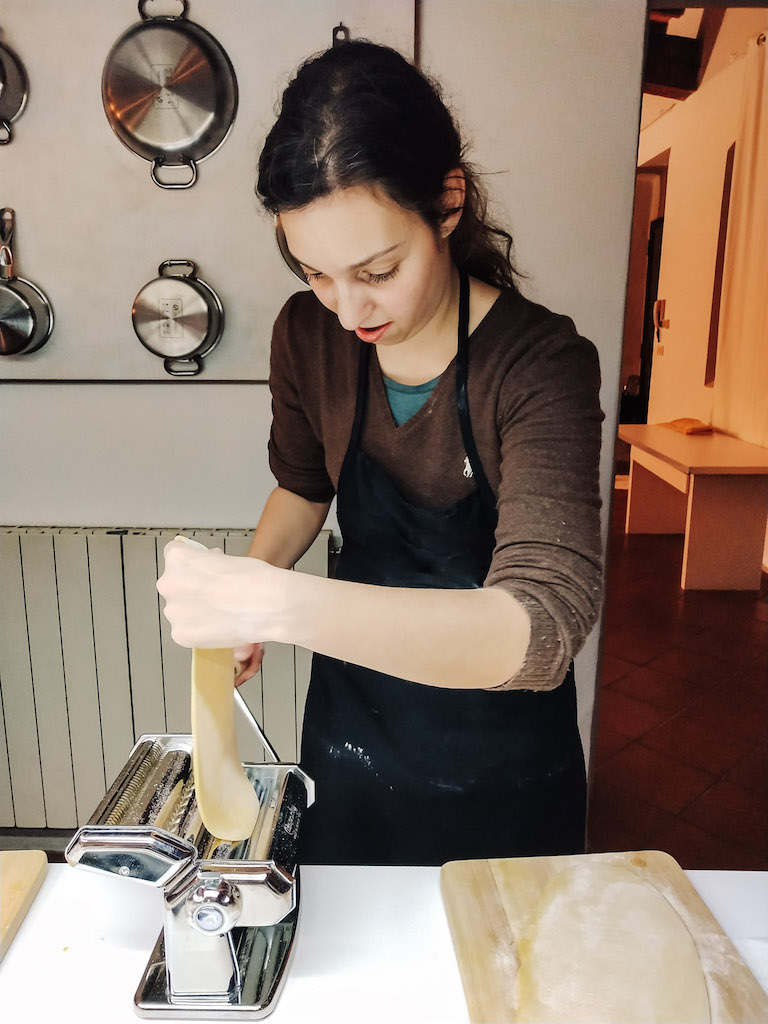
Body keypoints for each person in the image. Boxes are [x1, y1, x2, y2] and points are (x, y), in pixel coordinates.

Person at [157, 40, 604, 866]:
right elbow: (301, 487)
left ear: (447, 203)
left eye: (379, 269)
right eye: (316, 271)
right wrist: (247, 603)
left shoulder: (538, 363)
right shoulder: (307, 335)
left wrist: (275, 602)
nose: (347, 308)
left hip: (502, 761)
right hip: (355, 732)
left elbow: (542, 626)